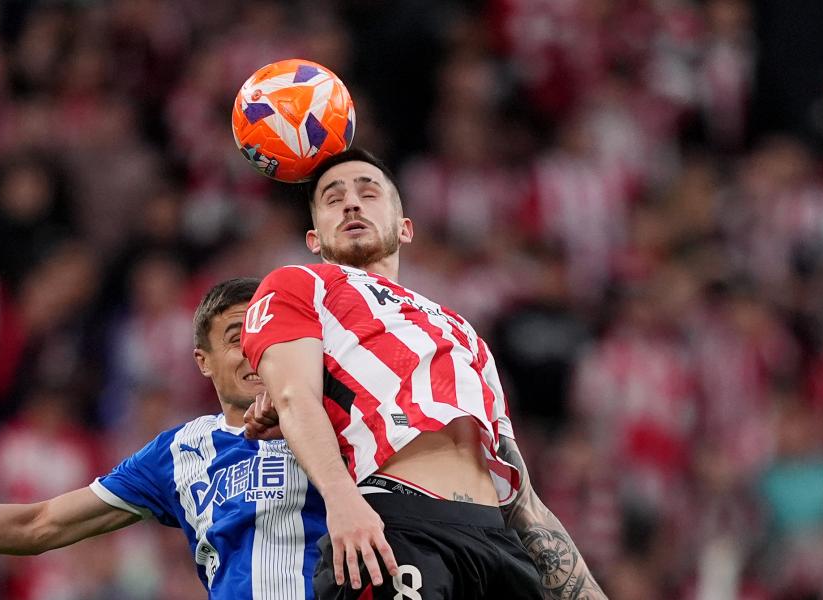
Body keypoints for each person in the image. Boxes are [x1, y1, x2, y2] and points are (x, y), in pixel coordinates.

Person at [241, 148, 607, 599]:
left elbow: (523, 497)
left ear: (405, 228)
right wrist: (341, 501)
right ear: (314, 239)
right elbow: (296, 396)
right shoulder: (300, 284)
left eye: (368, 192)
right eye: (333, 199)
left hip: (494, 542)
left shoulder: (463, 331)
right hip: (395, 525)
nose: (352, 203)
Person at [0, 277, 328, 598]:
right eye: (235, 338)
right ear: (203, 362)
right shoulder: (180, 452)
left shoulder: (338, 419)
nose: (253, 351)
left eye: (266, 338)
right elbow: (41, 524)